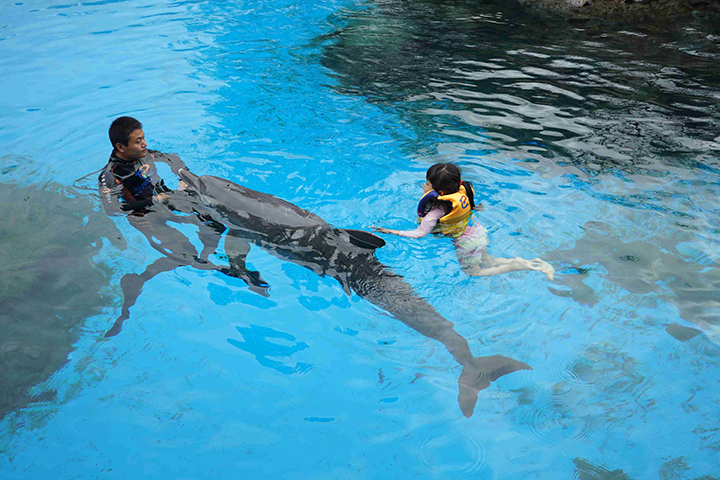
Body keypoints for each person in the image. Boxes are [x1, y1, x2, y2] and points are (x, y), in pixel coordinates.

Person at [99, 116, 267, 336]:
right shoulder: (110, 175)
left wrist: (182, 175)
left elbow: (172, 158)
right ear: (121, 147)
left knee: (215, 222)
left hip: (167, 198)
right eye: (138, 141)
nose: (145, 144)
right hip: (146, 215)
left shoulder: (144, 153)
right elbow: (112, 209)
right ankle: (209, 268)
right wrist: (153, 202)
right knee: (187, 254)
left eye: (144, 138)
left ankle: (207, 259)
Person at [372, 163, 554, 280]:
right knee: (488, 261)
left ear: (439, 193)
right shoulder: (462, 191)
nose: (424, 186)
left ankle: (514, 266)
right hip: (477, 231)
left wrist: (391, 231)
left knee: (474, 272)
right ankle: (528, 262)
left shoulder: (436, 211)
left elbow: (419, 234)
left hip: (467, 242)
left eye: (427, 183)